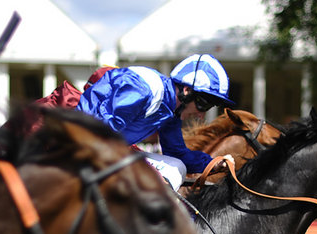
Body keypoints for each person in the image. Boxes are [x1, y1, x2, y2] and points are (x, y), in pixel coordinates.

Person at [76, 54, 234, 190]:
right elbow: (102, 133)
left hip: (104, 147)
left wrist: (212, 164)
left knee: (175, 167)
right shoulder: (142, 89)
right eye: (203, 104)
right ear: (187, 91)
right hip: (78, 143)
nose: (201, 115)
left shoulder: (170, 110)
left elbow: (176, 153)